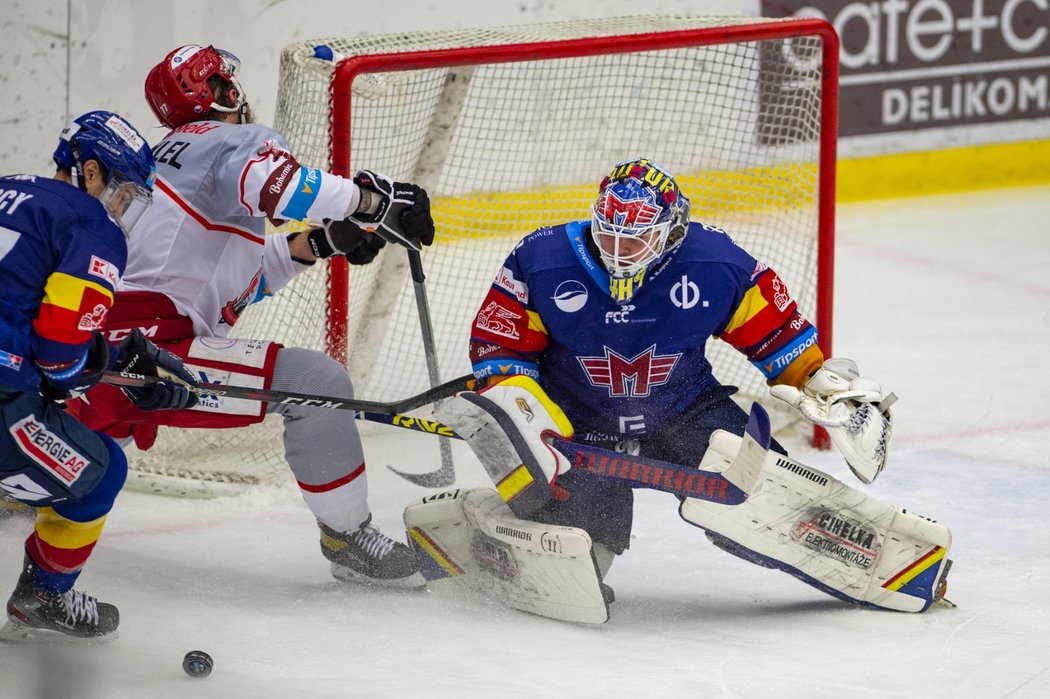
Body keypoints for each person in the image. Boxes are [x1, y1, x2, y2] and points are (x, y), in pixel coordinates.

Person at [441, 157, 921, 609]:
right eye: (608, 236)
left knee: (766, 494)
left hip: (684, 410)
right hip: (574, 422)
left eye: (635, 240)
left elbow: (779, 337)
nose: (618, 251)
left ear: (671, 233)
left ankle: (882, 562)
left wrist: (823, 386)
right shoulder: (541, 260)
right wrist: (528, 417)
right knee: (585, 528)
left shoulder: (715, 263)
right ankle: (488, 535)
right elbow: (501, 349)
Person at [67, 45, 436, 589]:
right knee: (319, 383)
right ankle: (347, 535)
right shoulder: (231, 140)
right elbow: (280, 187)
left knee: (71, 453)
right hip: (151, 348)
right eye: (224, 81)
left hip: (93, 349)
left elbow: (225, 282)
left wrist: (325, 240)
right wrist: (370, 200)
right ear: (218, 92)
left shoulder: (165, 159)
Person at [1, 111, 198, 638]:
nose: (123, 208)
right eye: (125, 193)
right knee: (100, 473)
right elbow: (60, 358)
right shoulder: (92, 226)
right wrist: (93, 369)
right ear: (90, 172)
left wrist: (97, 354)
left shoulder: (8, 190)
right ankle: (44, 596)